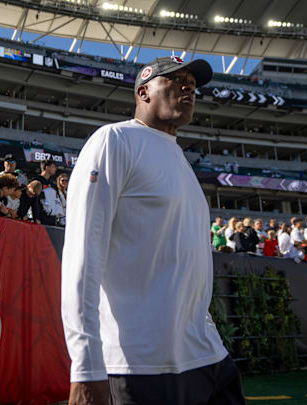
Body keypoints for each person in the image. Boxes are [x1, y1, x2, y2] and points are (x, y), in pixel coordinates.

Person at [62, 56, 243, 405]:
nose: (187, 87)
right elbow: (81, 257)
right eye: (174, 80)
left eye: (191, 83)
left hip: (207, 355)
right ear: (143, 92)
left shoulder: (180, 160)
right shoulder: (114, 140)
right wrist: (85, 368)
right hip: (141, 366)